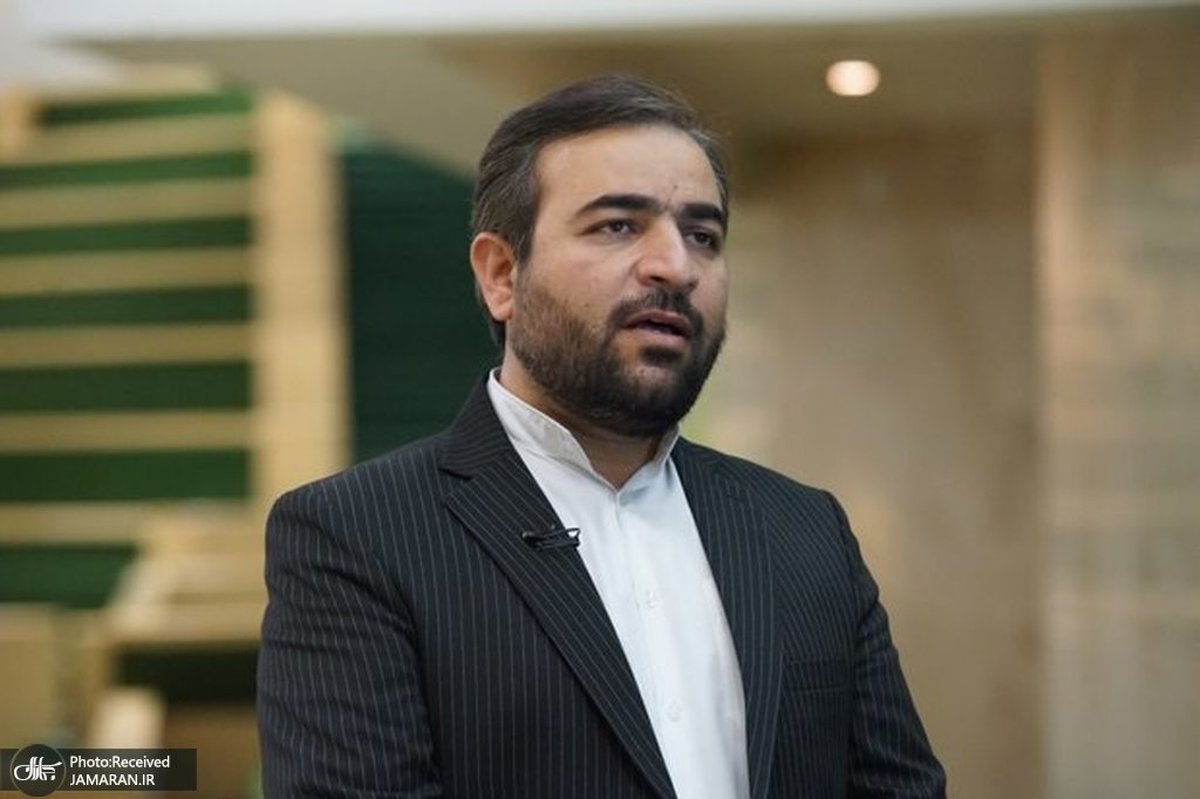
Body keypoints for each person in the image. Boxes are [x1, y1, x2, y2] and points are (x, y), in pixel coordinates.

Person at [257, 74, 946, 799]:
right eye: (618, 225)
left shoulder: (805, 530)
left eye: (703, 236)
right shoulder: (358, 536)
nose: (675, 267)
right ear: (501, 274)